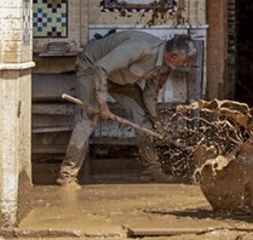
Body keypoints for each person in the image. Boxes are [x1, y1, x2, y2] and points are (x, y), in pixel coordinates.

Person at [57, 31, 197, 187]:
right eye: (184, 62)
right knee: (89, 118)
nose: (185, 65)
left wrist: (156, 122)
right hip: (92, 68)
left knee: (143, 117)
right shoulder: (140, 48)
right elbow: (101, 68)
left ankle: (151, 169)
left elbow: (150, 95)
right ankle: (67, 175)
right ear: (173, 56)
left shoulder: (166, 65)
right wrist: (103, 104)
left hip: (119, 78)